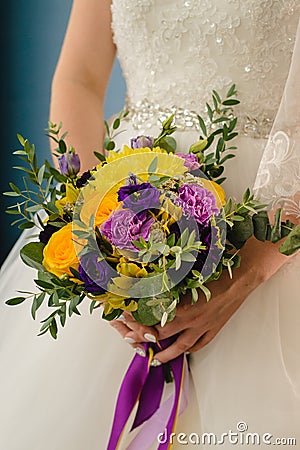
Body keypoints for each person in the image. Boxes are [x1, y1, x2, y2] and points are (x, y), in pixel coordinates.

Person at [0, 1, 299, 449]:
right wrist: (95, 235)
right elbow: (78, 78)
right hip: (124, 195)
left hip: (270, 219)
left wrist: (249, 271)